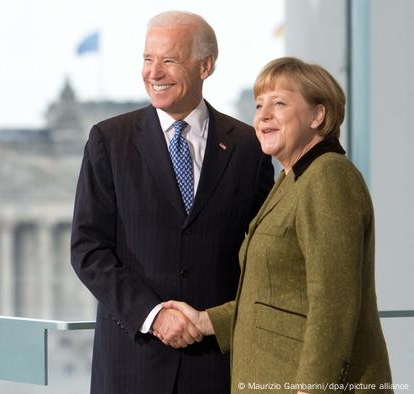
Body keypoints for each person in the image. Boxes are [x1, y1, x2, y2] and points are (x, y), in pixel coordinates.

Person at [70, 10, 274, 394]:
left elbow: (264, 253)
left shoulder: (249, 148)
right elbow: (88, 249)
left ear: (205, 66)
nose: (154, 72)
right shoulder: (109, 141)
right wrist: (153, 314)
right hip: (132, 365)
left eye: (169, 60)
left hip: (218, 365)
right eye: (148, 59)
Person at [164, 57, 393, 392]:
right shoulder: (291, 181)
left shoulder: (328, 176)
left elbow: (334, 302)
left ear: (318, 115)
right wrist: (205, 321)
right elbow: (277, 297)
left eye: (279, 103)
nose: (263, 116)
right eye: (259, 105)